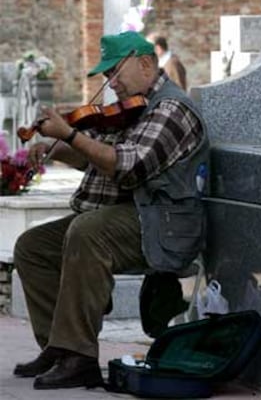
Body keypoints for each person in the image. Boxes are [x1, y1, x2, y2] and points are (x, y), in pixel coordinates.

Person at [12, 30, 209, 390]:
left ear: (146, 63)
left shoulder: (172, 109)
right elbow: (95, 162)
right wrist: (57, 149)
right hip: (128, 216)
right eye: (106, 76)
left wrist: (70, 135)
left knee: (87, 231)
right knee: (32, 247)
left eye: (115, 72)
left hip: (162, 225)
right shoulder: (126, 110)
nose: (111, 83)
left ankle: (80, 358)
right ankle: (59, 349)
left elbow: (128, 165)